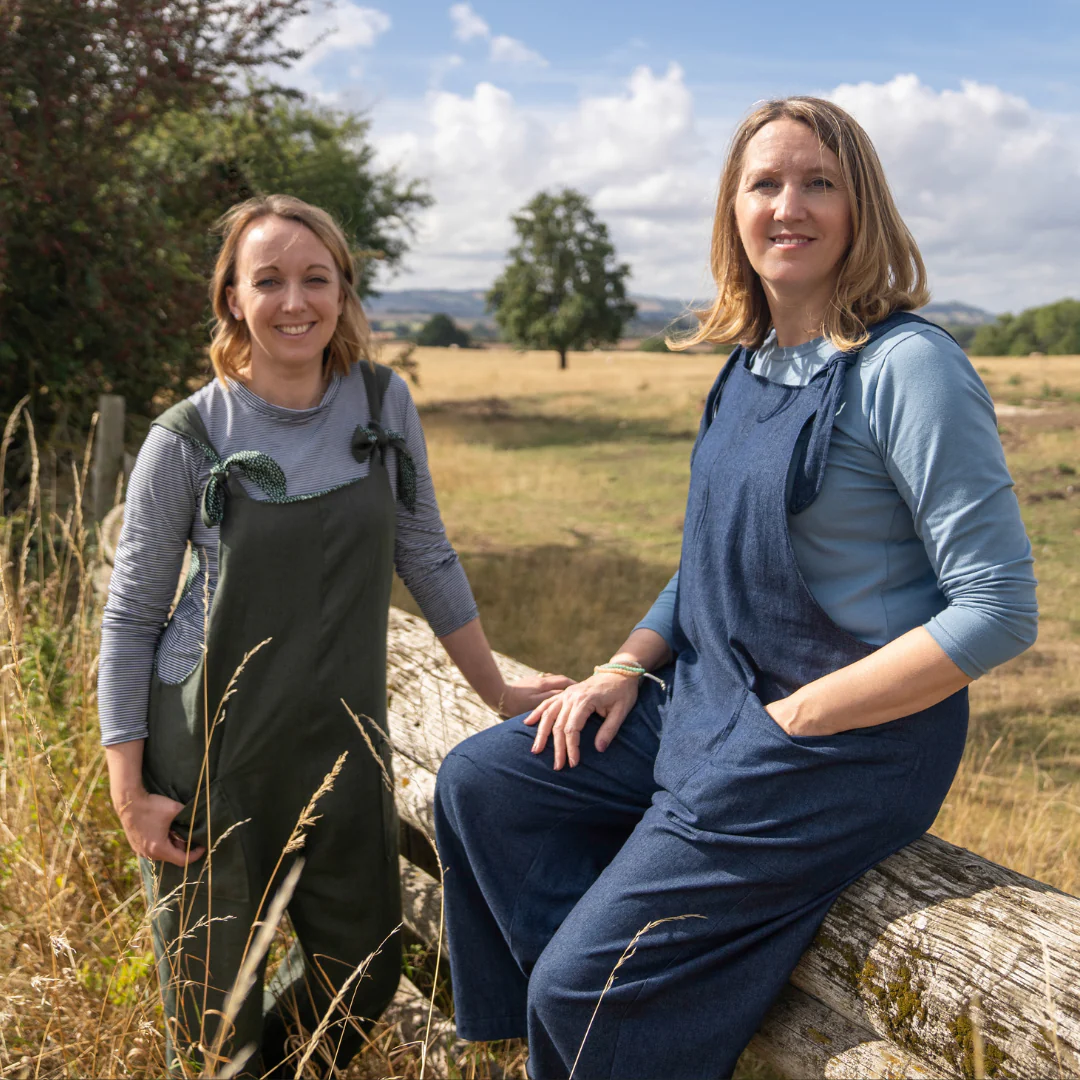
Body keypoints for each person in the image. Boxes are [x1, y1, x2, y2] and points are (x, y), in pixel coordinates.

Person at [433, 97, 1038, 1079]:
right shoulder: (751, 362)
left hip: (841, 751)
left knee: (583, 990)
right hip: (712, 704)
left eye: (818, 183)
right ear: (733, 210)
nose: (788, 206)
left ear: (861, 207)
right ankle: (611, 1023)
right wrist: (625, 665)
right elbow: (714, 555)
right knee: (485, 787)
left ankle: (597, 1011)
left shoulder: (909, 368)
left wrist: (800, 717)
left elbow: (1000, 607)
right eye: (765, 184)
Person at [98, 194, 569, 1076]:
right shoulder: (188, 437)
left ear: (344, 291)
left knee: (364, 971)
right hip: (212, 760)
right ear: (232, 298)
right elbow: (128, 620)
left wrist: (499, 689)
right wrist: (129, 792)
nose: (294, 301)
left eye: (316, 278)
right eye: (267, 280)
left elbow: (425, 552)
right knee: (211, 1027)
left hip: (343, 751)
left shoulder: (383, 404)